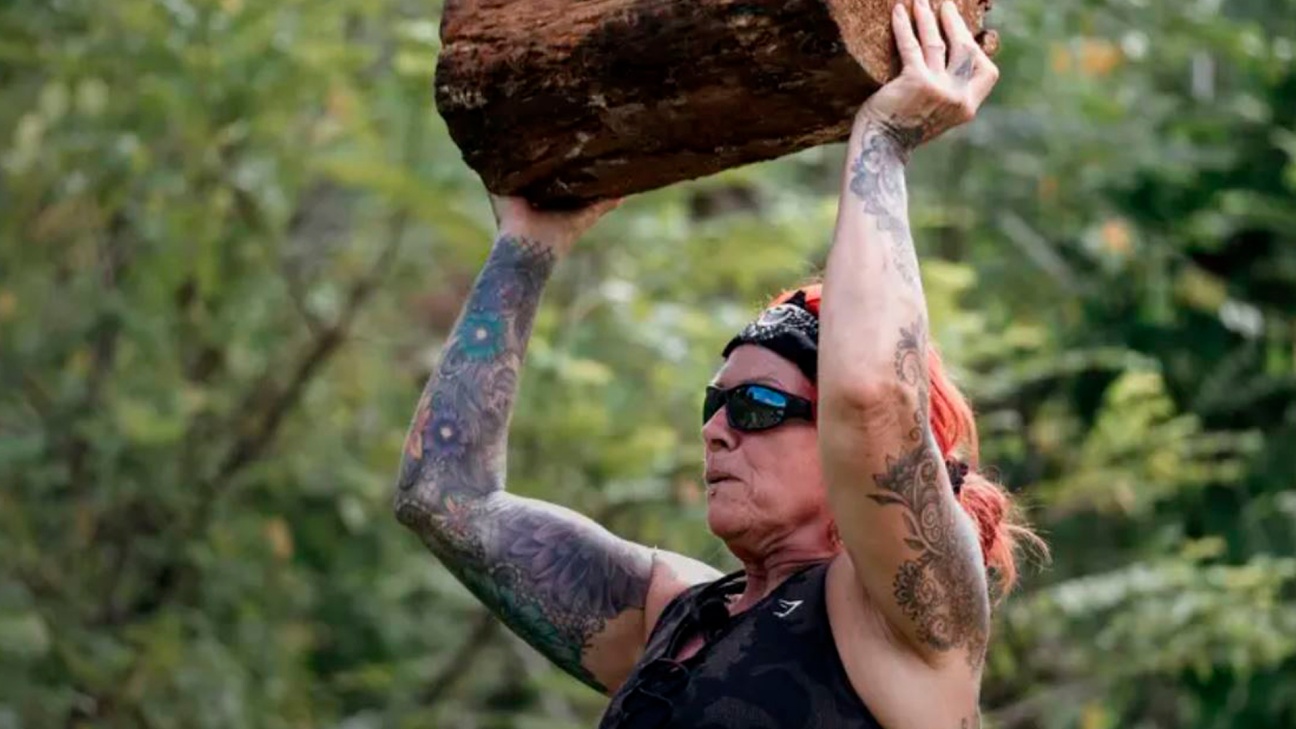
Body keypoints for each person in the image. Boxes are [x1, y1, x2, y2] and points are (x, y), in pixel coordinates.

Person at [393, 1, 1041, 727]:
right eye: (715, 404)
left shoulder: (912, 618)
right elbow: (444, 498)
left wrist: (885, 141)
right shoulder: (670, 618)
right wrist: (526, 246)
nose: (715, 431)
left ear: (839, 447)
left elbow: (871, 396)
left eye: (757, 406)